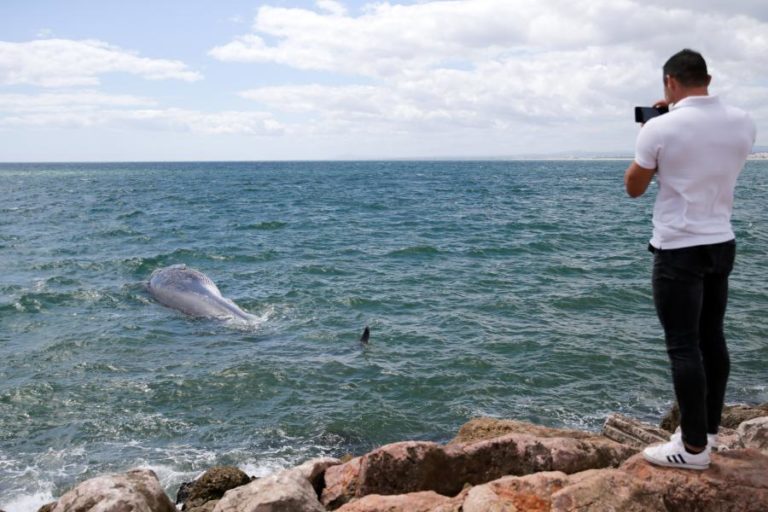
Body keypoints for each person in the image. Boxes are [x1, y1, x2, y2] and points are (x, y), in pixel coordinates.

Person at [624, 49, 756, 470]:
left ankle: (693, 449)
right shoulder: (744, 121)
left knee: (683, 346)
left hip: (678, 248)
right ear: (708, 79)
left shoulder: (659, 128)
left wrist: (652, 128)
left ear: (669, 82)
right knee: (711, 339)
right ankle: (707, 432)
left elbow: (634, 187)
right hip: (721, 242)